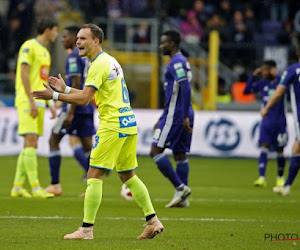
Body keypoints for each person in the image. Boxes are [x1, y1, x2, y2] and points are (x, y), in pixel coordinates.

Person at [32, 23, 164, 240]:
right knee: (127, 175)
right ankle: (153, 221)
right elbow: (92, 94)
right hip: (128, 123)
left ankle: (86, 229)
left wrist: (54, 97)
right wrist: (64, 89)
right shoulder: (109, 61)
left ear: (96, 41)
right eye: (77, 39)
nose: (78, 42)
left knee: (94, 175)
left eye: (83, 38)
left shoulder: (98, 65)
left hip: (112, 125)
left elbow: (84, 99)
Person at [11, 18, 58, 199]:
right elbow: (23, 72)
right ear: (47, 30)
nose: (56, 34)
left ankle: (17, 186)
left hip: (39, 102)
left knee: (30, 144)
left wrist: (51, 103)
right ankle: (36, 187)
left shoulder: (46, 52)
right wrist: (30, 100)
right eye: (54, 30)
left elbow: (42, 80)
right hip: (27, 100)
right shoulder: (29, 46)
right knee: (31, 141)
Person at [45, 26, 95, 196]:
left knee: (53, 140)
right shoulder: (87, 57)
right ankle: (93, 188)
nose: (61, 39)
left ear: (74, 38)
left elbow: (75, 81)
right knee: (89, 147)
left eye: (65, 36)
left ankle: (55, 184)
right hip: (86, 106)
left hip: (74, 107)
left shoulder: (74, 56)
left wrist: (70, 111)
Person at [150, 30, 194, 208]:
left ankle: (180, 187)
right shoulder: (180, 61)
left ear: (172, 44)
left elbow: (185, 88)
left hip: (177, 114)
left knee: (155, 151)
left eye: (163, 42)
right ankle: (182, 199)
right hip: (180, 111)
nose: (161, 46)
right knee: (180, 154)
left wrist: (182, 115)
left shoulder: (176, 62)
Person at [261, 47, 300, 196]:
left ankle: (286, 185)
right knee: (296, 149)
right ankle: (287, 185)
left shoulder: (291, 70)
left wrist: (266, 108)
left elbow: (279, 92)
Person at [244, 60, 287, 188]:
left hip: (280, 121)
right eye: (261, 70)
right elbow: (246, 91)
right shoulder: (262, 82)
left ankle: (280, 178)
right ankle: (261, 178)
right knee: (264, 146)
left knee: (280, 149)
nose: (262, 73)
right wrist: (253, 75)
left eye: (265, 70)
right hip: (266, 121)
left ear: (272, 69)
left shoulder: (282, 81)